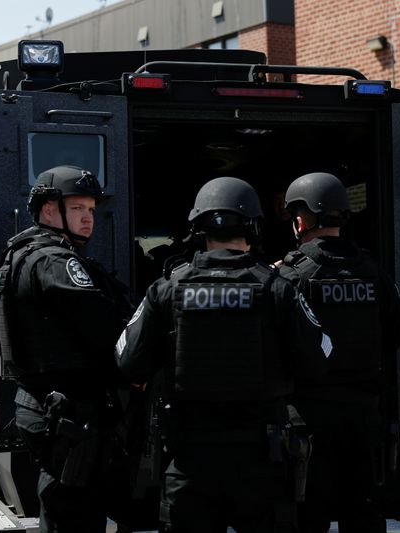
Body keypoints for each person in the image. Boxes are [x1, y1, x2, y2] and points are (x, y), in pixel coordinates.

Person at [115, 176, 332, 532]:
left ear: (198, 227)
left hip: (189, 461)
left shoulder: (167, 289)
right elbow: (319, 357)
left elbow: (128, 359)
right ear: (253, 227)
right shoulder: (277, 289)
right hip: (261, 461)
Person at [0, 165, 134, 532]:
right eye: (77, 209)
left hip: (46, 404)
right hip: (67, 411)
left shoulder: (24, 254)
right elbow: (105, 331)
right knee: (72, 513)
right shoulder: (55, 262)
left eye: (91, 210)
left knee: (64, 507)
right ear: (49, 209)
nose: (88, 219)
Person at [277, 172, 400, 533]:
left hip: (308, 419)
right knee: (362, 512)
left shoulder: (291, 274)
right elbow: (395, 333)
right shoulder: (373, 272)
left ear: (300, 220)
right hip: (364, 415)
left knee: (308, 515)